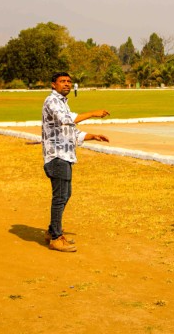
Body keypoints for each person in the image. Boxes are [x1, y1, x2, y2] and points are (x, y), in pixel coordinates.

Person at [42, 71, 110, 252]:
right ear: (53, 84)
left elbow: (72, 132)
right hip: (56, 155)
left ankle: (52, 230)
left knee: (65, 195)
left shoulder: (62, 103)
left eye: (69, 81)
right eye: (62, 81)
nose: (66, 84)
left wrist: (92, 136)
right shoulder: (52, 101)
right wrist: (93, 113)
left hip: (65, 155)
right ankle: (56, 237)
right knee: (60, 197)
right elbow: (66, 120)